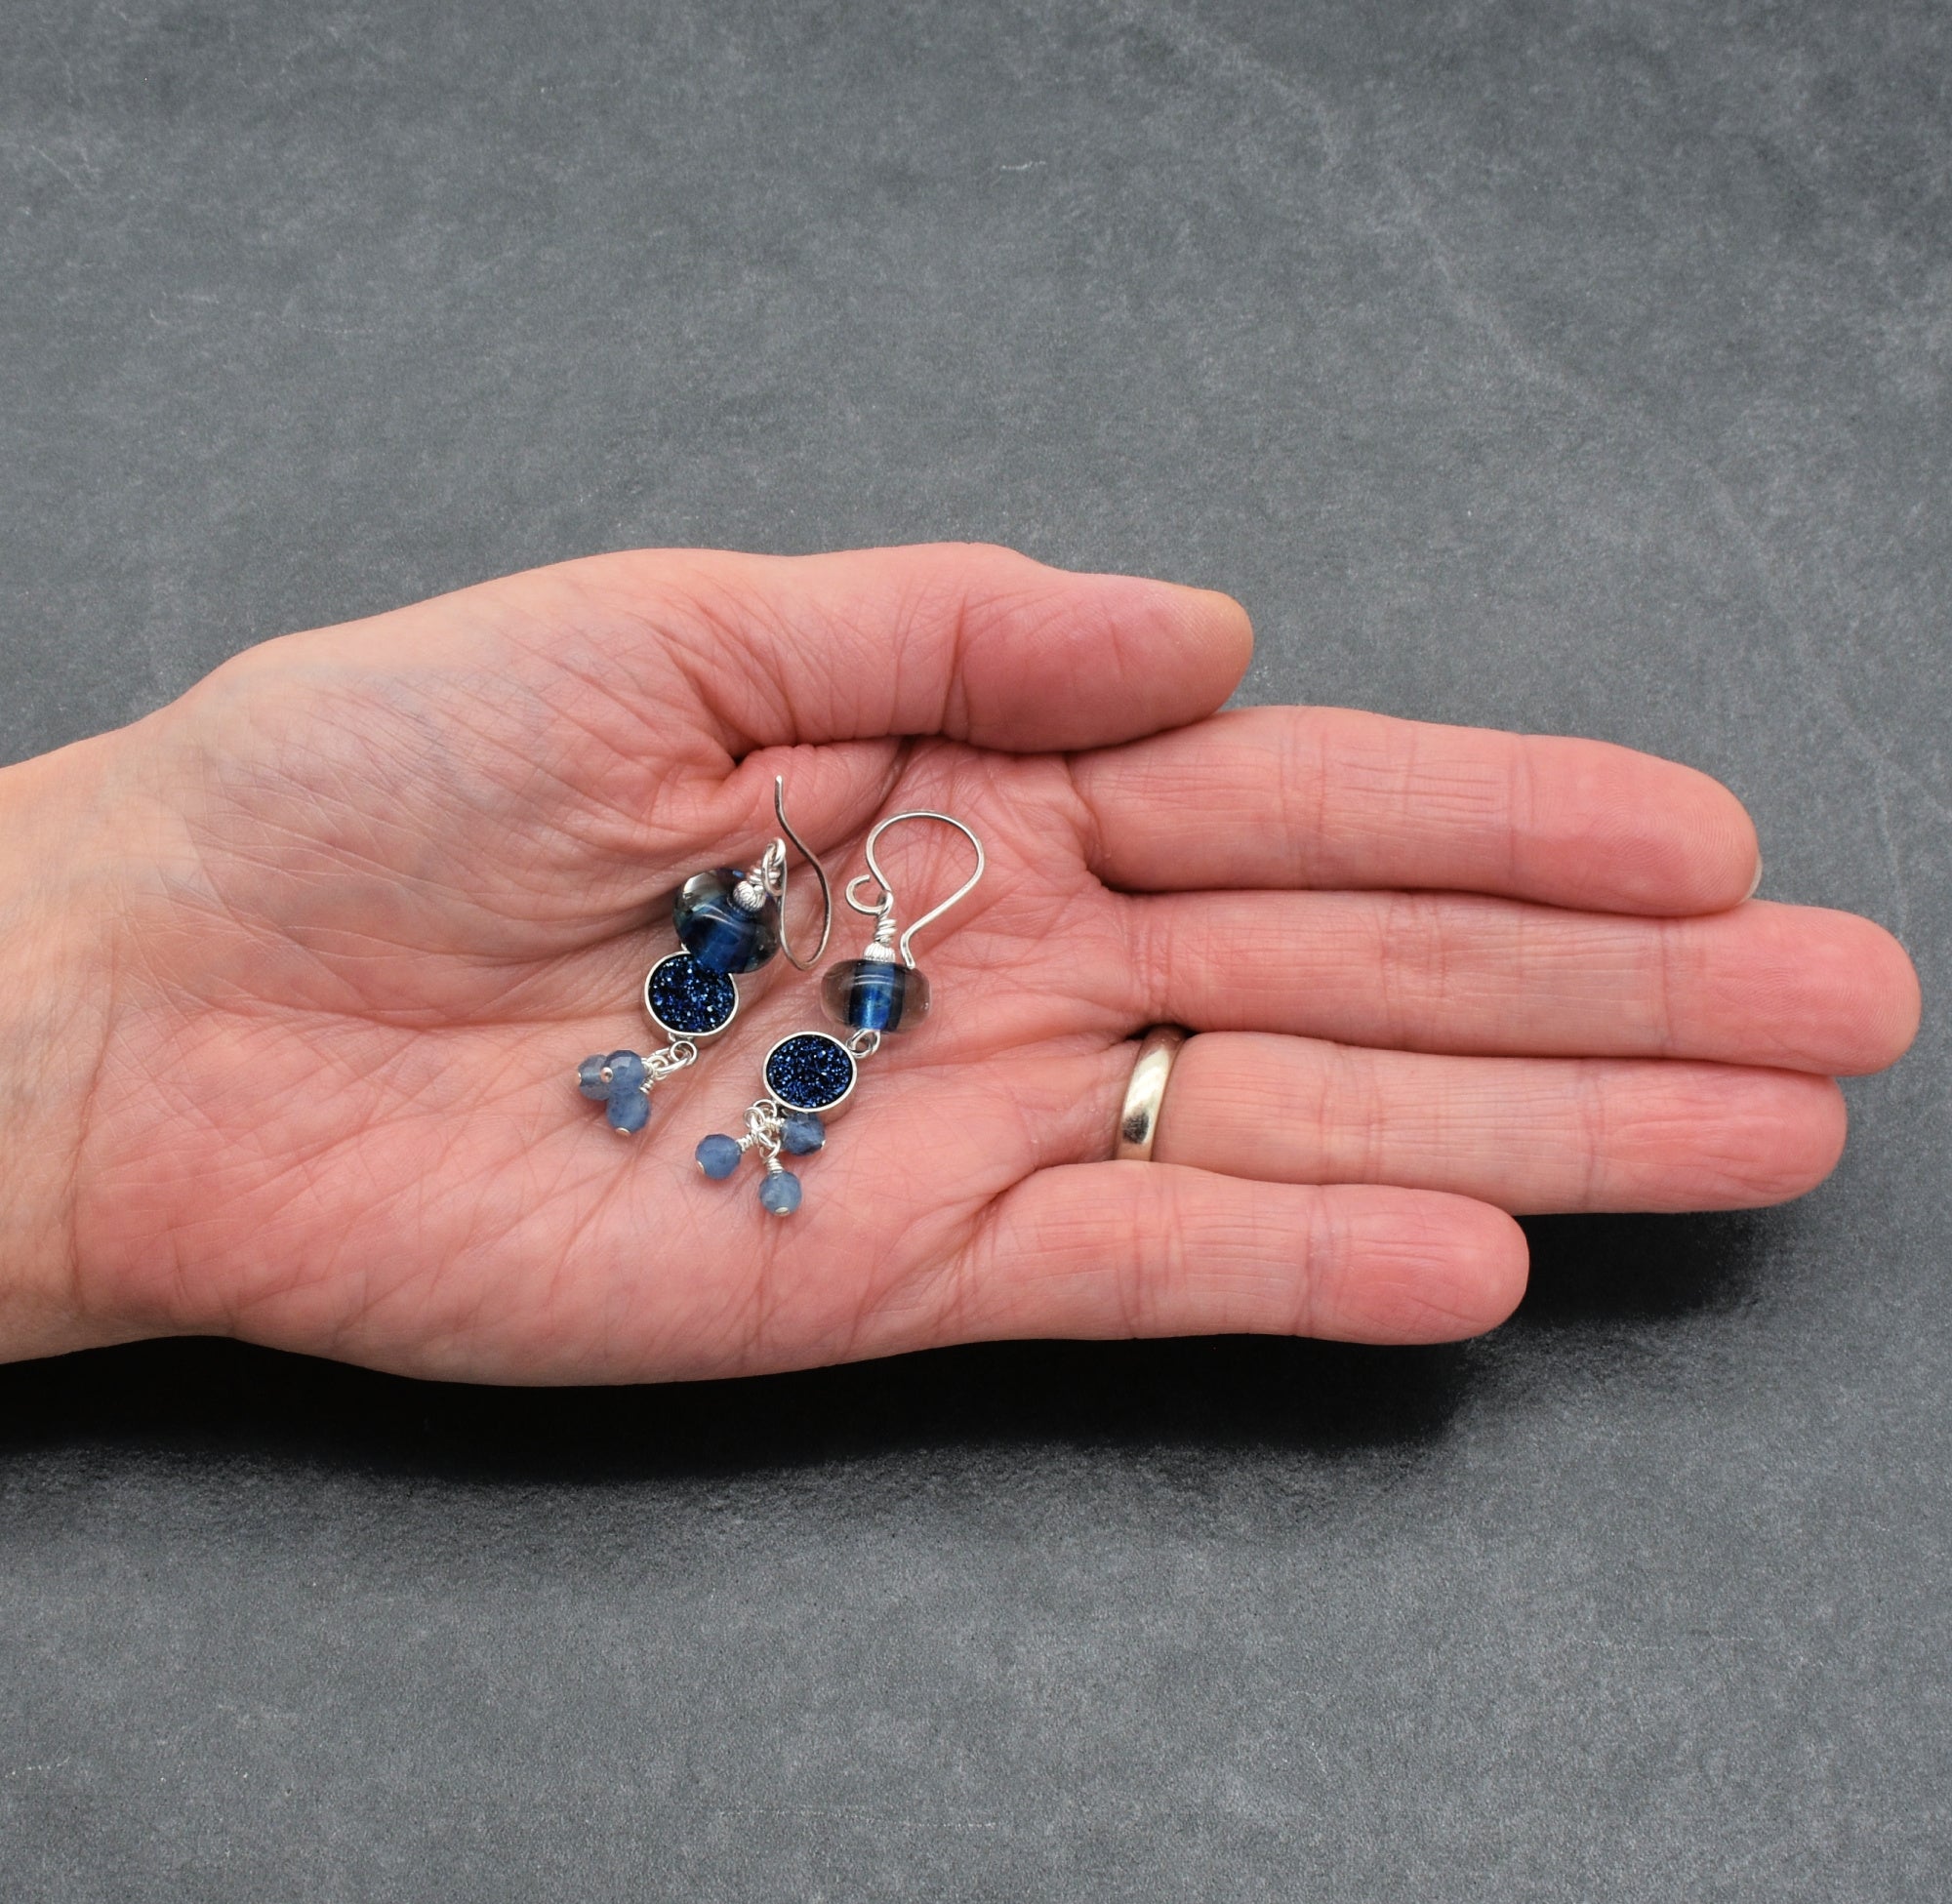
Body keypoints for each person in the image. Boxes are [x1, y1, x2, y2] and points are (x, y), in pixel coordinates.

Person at [0, 545, 1919, 1379]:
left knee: (761, 1057)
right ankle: (715, 1098)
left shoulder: (853, 940)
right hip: (722, 1012)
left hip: (760, 1023)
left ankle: (736, 1109)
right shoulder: (758, 913)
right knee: (720, 1039)